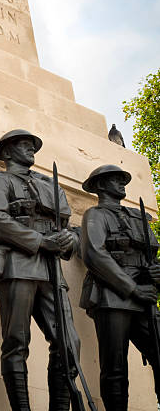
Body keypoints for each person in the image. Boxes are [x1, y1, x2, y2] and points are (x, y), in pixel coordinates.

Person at [0, 129, 80, 411]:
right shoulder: (1, 181)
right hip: (17, 265)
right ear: (8, 152)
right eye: (23, 145)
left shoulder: (51, 185)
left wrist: (68, 240)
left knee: (69, 341)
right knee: (16, 341)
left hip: (51, 270)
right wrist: (40, 241)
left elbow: (69, 228)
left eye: (31, 145)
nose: (30, 150)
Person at [79, 164, 160, 410]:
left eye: (122, 179)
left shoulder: (138, 216)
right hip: (112, 295)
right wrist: (132, 288)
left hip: (145, 295)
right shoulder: (95, 215)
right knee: (115, 368)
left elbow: (151, 256)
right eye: (115, 180)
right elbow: (94, 254)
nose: (122, 183)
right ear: (101, 185)